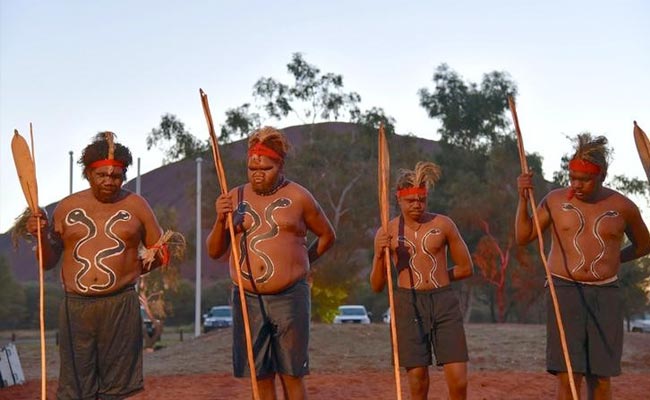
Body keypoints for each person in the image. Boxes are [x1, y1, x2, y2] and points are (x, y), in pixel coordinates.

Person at [26, 132, 169, 400]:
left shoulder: (137, 206)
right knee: (76, 387)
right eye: (101, 175)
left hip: (120, 304)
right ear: (88, 174)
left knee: (118, 388)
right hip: (75, 306)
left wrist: (133, 269)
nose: (108, 182)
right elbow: (47, 262)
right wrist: (40, 236)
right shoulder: (67, 208)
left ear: (124, 175)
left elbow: (161, 250)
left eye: (115, 176)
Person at [515, 133, 650, 400]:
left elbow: (644, 246)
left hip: (605, 294)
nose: (576, 185)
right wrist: (522, 199)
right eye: (572, 177)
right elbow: (523, 236)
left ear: (602, 176)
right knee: (568, 375)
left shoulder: (624, 207)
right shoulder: (554, 201)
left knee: (600, 378)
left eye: (584, 180)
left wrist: (613, 259)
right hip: (564, 291)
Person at [206, 126, 336, 400]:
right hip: (248, 298)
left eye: (265, 168)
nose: (257, 174)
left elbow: (327, 235)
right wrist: (221, 220)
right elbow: (214, 251)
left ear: (280, 165)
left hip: (290, 296)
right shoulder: (234, 198)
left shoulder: (299, 197)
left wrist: (303, 263)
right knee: (260, 375)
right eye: (252, 168)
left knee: (291, 374)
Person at [371, 161, 473, 400]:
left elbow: (466, 267)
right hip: (408, 304)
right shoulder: (387, 232)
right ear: (399, 199)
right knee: (417, 381)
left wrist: (438, 279)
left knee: (459, 381)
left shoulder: (443, 224)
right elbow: (376, 286)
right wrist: (378, 254)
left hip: (443, 302)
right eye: (410, 201)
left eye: (421, 200)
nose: (417, 205)